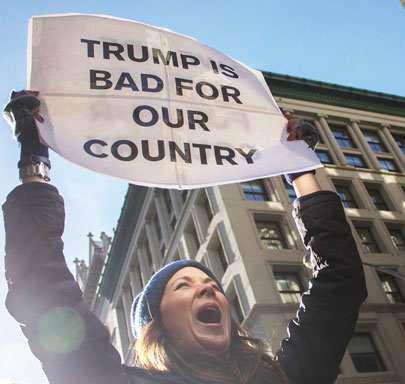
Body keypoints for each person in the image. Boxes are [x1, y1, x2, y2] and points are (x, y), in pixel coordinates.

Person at [2, 90, 367, 384]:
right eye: (183, 286)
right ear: (155, 325)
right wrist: (34, 156)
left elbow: (339, 278)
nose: (209, 289)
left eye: (211, 283)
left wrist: (300, 168)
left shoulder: (285, 375)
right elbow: (41, 284)